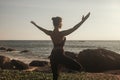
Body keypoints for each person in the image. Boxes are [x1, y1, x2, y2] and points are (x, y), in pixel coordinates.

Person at [31, 12, 90, 80]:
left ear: (54, 23)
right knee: (78, 67)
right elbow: (74, 28)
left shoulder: (50, 33)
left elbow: (41, 29)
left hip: (53, 56)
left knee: (55, 77)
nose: (62, 23)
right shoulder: (62, 33)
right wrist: (83, 21)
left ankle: (61, 65)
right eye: (61, 22)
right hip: (60, 55)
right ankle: (62, 64)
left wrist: (35, 24)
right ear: (59, 23)